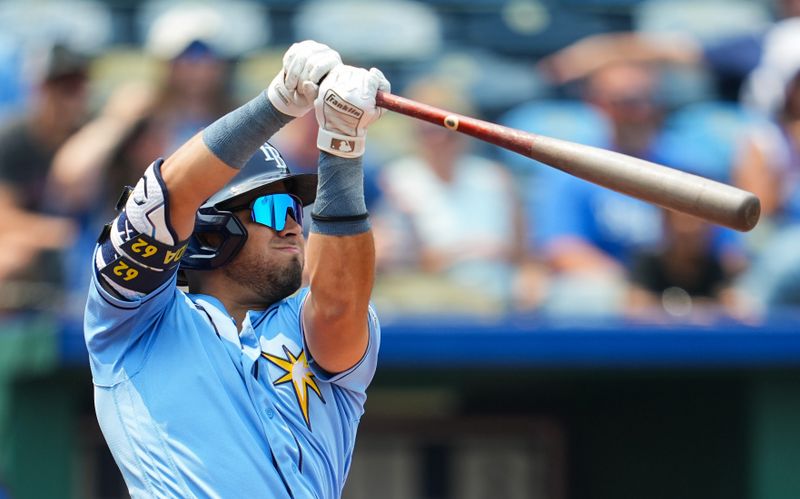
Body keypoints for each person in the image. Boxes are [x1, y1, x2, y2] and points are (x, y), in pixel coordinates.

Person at [83, 41, 388, 497]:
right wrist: (279, 103)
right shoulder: (133, 324)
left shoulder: (307, 322)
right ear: (209, 228)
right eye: (270, 208)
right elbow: (164, 200)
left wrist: (343, 145)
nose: (291, 224)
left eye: (294, 208)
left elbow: (339, 307)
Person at [371, 79, 524, 312]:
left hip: (502, 286)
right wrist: (471, 251)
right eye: (428, 130)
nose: (439, 139)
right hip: (432, 293)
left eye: (448, 130)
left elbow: (522, 251)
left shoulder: (495, 178)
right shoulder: (397, 180)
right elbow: (402, 260)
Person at [0, 42, 89, 310]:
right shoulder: (14, 138)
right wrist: (55, 233)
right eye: (57, 86)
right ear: (38, 89)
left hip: (92, 239)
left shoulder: (92, 133)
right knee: (12, 256)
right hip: (39, 242)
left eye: (74, 87)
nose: (66, 98)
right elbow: (4, 216)